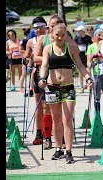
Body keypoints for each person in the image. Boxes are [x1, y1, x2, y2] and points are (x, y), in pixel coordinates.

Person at [39, 22, 93, 164]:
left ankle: (68, 151)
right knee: (56, 120)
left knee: (67, 119)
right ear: (52, 34)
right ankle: (58, 149)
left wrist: (88, 77)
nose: (60, 38)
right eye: (57, 35)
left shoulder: (72, 47)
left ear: (66, 34)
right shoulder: (48, 49)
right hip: (52, 87)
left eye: (63, 35)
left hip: (68, 87)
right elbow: (44, 66)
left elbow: (80, 66)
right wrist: (42, 78)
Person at [33, 15, 65, 149]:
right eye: (52, 25)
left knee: (62, 109)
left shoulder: (65, 38)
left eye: (57, 24)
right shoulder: (42, 39)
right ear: (48, 27)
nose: (54, 27)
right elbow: (35, 57)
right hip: (45, 77)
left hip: (61, 77)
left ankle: (61, 136)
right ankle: (47, 138)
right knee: (46, 107)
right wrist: (49, 58)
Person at [74, 25, 93, 93]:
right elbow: (74, 46)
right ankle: (81, 86)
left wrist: (89, 52)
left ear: (82, 31)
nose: (78, 32)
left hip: (86, 55)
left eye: (79, 31)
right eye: (77, 31)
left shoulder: (88, 38)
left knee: (88, 70)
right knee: (80, 71)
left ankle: (87, 84)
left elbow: (91, 45)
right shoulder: (76, 38)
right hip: (79, 56)